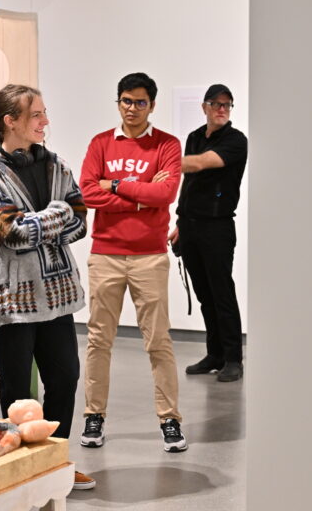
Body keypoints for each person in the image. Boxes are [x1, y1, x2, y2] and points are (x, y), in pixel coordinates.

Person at [0, 84, 94, 490]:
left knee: (65, 380)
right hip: (13, 296)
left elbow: (81, 222)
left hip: (56, 296)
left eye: (45, 113)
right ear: (11, 121)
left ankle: (55, 463)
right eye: (37, 114)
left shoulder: (56, 165)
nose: (45, 121)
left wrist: (46, 218)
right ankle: (21, 469)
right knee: (17, 391)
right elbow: (13, 232)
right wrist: (57, 213)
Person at [79, 72, 187, 453]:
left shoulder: (168, 145)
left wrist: (118, 184)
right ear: (118, 102)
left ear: (152, 105)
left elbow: (166, 192)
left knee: (158, 341)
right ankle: (94, 416)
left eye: (140, 102)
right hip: (105, 254)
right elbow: (89, 193)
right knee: (98, 340)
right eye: (126, 100)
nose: (132, 108)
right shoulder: (101, 143)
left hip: (150, 256)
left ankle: (170, 420)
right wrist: (142, 195)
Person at [168, 84, 248, 382]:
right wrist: (180, 222)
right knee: (204, 294)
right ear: (205, 107)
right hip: (190, 226)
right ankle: (214, 353)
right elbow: (189, 185)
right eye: (216, 104)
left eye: (227, 104)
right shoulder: (194, 137)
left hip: (217, 227)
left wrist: (161, 164)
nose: (222, 109)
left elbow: (201, 164)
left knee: (222, 292)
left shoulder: (236, 141)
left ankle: (233, 359)